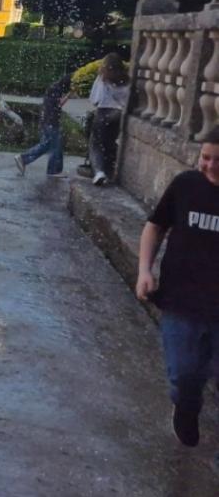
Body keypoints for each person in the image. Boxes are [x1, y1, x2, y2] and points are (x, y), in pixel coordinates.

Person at [135, 129, 219, 454]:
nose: (210, 166)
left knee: (210, 369)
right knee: (184, 372)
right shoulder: (186, 185)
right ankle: (185, 405)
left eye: (218, 160)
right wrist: (145, 271)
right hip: (181, 299)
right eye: (205, 158)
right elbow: (155, 226)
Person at [15, 75, 70, 177]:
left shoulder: (54, 88)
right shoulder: (56, 90)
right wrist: (69, 95)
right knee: (55, 146)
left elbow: (56, 104)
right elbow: (58, 105)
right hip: (51, 121)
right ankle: (53, 170)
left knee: (46, 145)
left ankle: (23, 159)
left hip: (47, 120)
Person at [89, 52, 130, 185]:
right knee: (110, 143)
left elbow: (95, 99)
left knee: (96, 144)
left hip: (103, 112)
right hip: (119, 114)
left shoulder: (103, 78)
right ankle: (109, 172)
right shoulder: (127, 80)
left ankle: (99, 172)